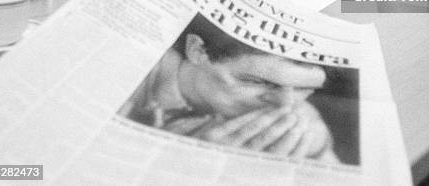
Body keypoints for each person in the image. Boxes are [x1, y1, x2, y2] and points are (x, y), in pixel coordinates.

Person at [119, 15, 337, 162]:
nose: (286, 105)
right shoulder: (125, 76)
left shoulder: (303, 119)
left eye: (304, 89)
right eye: (257, 82)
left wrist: (318, 150)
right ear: (197, 50)